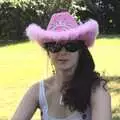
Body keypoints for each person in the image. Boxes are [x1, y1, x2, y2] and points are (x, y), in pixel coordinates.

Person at [12, 10, 112, 120]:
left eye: (71, 45)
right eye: (55, 46)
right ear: (48, 52)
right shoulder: (38, 91)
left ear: (80, 50)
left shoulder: (97, 89)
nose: (63, 52)